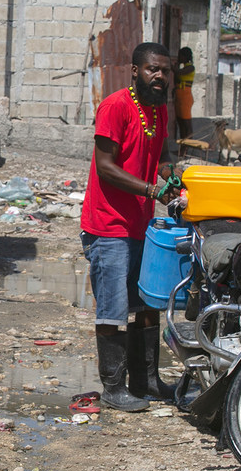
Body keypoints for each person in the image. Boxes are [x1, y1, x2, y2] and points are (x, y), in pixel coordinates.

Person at [80, 42, 179, 412]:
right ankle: (113, 386)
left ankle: (147, 380)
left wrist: (171, 177)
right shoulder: (116, 106)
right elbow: (106, 166)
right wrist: (153, 189)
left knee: (148, 302)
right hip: (108, 225)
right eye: (153, 69)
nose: (160, 76)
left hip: (141, 223)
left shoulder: (159, 109)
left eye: (165, 71)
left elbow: (163, 153)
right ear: (135, 71)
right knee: (114, 309)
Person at [174, 47, 195, 156]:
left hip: (185, 97)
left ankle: (187, 148)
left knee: (187, 124)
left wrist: (174, 66)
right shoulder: (184, 67)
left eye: (181, 55)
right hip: (179, 97)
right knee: (181, 124)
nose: (179, 57)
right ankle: (182, 149)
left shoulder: (190, 68)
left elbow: (178, 73)